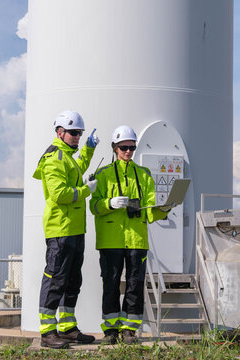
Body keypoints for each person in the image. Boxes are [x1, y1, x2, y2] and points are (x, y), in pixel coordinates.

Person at [89, 125, 173, 345]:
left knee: (135, 285)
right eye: (124, 147)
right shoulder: (103, 174)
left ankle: (129, 330)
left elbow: (149, 209)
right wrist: (109, 203)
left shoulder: (143, 175)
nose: (128, 152)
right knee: (111, 284)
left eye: (131, 148)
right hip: (110, 240)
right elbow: (94, 207)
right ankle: (110, 331)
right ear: (115, 148)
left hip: (137, 240)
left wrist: (164, 209)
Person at [33, 110, 99, 349]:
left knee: (72, 280)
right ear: (59, 132)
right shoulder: (53, 158)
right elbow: (60, 194)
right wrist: (86, 191)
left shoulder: (68, 157)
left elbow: (77, 166)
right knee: (55, 280)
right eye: (73, 132)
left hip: (74, 229)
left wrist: (89, 149)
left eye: (80, 133)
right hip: (60, 230)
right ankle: (47, 332)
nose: (77, 136)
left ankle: (68, 328)